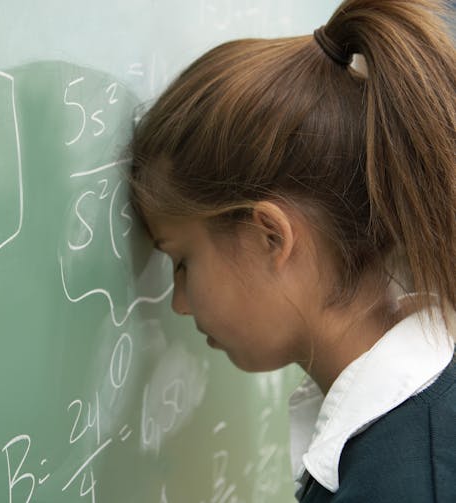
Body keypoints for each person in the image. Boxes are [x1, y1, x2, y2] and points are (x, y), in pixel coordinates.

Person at [129, 0, 456, 500]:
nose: (179, 303)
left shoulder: (400, 483)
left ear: (270, 238)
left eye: (182, 262)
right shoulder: (424, 414)